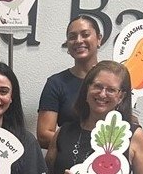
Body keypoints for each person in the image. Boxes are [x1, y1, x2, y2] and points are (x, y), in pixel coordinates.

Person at [37, 15, 102, 149]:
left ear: (99, 39)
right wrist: (84, 145)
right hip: (67, 165)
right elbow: (44, 135)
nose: (78, 41)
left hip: (108, 162)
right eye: (72, 37)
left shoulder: (115, 80)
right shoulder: (56, 83)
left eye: (85, 34)